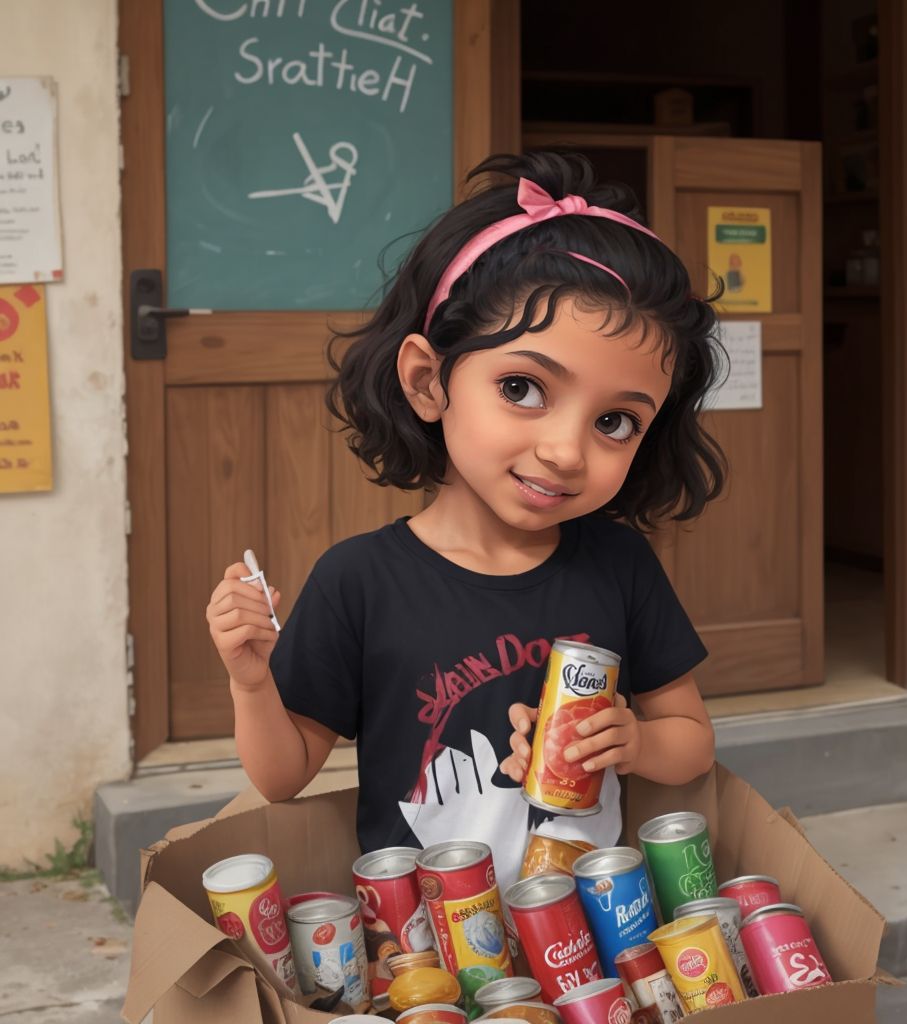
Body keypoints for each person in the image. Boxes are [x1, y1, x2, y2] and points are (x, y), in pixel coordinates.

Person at [206, 150, 725, 891]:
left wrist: (635, 740)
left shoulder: (620, 564)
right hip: (422, 948)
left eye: (615, 421)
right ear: (427, 381)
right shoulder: (358, 581)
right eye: (523, 387)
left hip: (593, 928)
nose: (565, 450)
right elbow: (283, 776)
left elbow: (693, 743)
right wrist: (251, 682)